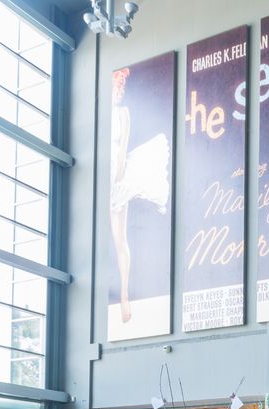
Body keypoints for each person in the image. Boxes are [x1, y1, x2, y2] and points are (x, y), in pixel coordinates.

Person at [109, 65, 171, 325]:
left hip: (116, 175)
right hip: (101, 173)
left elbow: (122, 147)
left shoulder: (123, 113)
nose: (118, 91)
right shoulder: (98, 115)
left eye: (120, 87)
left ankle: (124, 294)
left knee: (120, 238)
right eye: (116, 86)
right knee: (111, 237)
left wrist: (117, 176)